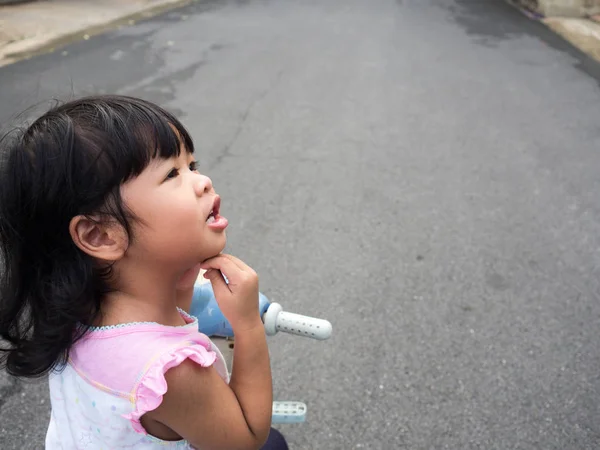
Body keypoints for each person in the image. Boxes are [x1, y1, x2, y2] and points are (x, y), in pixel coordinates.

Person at [0, 95, 287, 449]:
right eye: (172, 174)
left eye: (192, 166)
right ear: (100, 235)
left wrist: (180, 270)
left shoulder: (75, 312)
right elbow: (245, 438)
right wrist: (247, 325)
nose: (204, 182)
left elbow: (164, 315)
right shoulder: (171, 372)